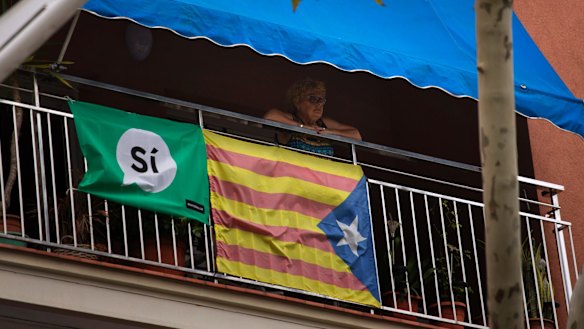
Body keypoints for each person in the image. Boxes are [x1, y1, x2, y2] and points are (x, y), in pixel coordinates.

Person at [264, 78, 361, 156]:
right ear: (297, 102)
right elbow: (270, 116)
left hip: (322, 178)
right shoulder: (292, 119)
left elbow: (356, 135)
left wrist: (332, 132)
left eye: (321, 100)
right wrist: (302, 127)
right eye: (313, 99)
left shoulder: (324, 123)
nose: (319, 104)